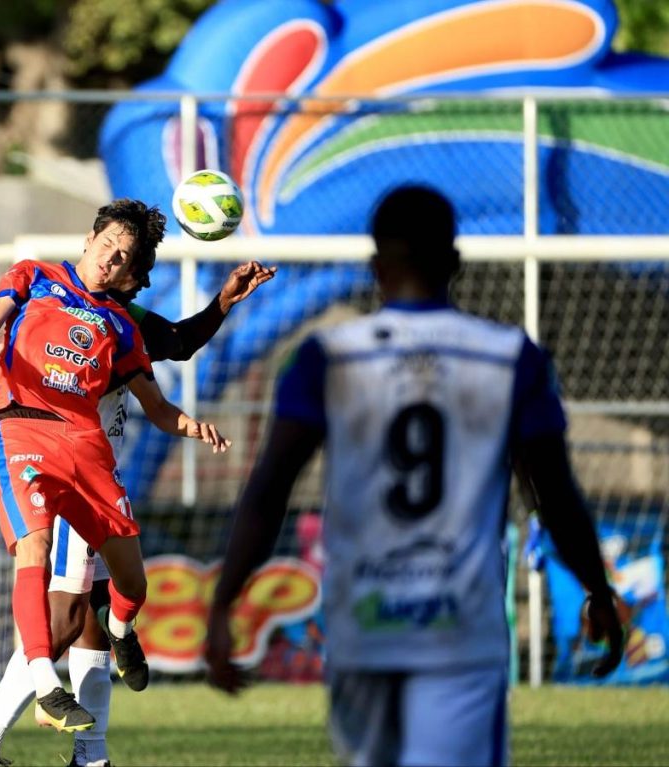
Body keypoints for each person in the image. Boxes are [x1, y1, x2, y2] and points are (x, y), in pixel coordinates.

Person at [205, 185, 625, 767]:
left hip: (363, 628)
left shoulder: (328, 356)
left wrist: (225, 600)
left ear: (376, 266)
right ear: (455, 262)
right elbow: (553, 494)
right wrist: (597, 589)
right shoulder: (509, 356)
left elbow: (269, 488)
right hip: (461, 630)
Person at [0, 260, 277, 767]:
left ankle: (91, 753)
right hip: (56, 464)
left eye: (129, 258)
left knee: (93, 616)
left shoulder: (122, 316)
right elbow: (0, 317)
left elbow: (175, 340)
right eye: (111, 249)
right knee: (66, 616)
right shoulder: (56, 295)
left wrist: (224, 303)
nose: (115, 264)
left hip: (98, 472)